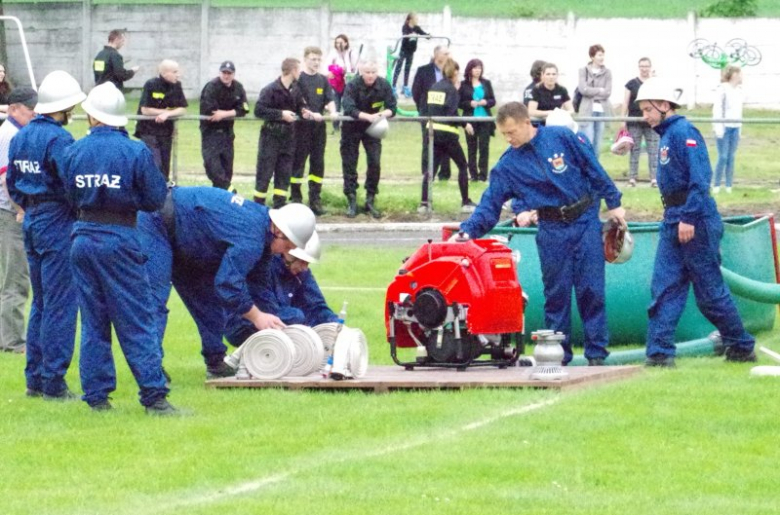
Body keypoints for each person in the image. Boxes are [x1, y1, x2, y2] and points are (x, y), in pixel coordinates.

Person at [457, 101, 626, 366]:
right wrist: (467, 231)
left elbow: (593, 167)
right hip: (551, 229)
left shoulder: (561, 137)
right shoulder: (508, 166)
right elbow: (490, 205)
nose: (508, 138)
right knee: (556, 295)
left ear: (527, 123)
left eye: (512, 132)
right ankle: (558, 357)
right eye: (504, 134)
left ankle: (597, 355)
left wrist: (614, 202)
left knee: (591, 291)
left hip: (584, 220)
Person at [62, 83, 175, 414]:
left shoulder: (73, 151)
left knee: (94, 320)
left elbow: (69, 195)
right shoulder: (135, 151)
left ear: (93, 116)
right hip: (120, 236)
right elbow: (155, 199)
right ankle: (154, 396)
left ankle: (97, 397)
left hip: (82, 237)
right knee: (136, 318)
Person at [635, 78, 755, 367]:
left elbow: (700, 179)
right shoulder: (666, 134)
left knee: (709, 292)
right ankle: (660, 353)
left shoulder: (685, 133)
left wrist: (688, 217)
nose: (644, 116)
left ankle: (740, 344)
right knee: (664, 287)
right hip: (672, 219)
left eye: (647, 109)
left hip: (695, 220)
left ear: (664, 106)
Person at [137, 187, 316, 378]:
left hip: (190, 237)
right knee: (155, 300)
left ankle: (216, 363)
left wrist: (275, 326)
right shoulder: (251, 237)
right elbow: (227, 284)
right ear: (278, 230)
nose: (283, 253)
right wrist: (257, 317)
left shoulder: (264, 239)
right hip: (156, 222)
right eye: (287, 246)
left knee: (210, 304)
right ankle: (150, 372)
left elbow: (260, 289)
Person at [6, 71, 86, 400]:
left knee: (39, 302)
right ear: (64, 108)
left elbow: (12, 182)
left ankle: (34, 378)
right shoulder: (60, 140)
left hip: (31, 219)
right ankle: (54, 380)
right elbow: (71, 185)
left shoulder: (20, 136)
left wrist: (28, 205)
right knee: (61, 304)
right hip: (56, 220)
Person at [225, 232, 338, 346]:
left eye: (307, 263)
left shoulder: (301, 272)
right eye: (303, 262)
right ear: (288, 252)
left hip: (277, 318)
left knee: (298, 318)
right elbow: (268, 310)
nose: (304, 268)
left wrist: (335, 325)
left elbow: (316, 306)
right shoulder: (264, 267)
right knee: (296, 317)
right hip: (242, 322)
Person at [0, 87, 36, 354]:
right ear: (14, 108)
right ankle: (13, 342)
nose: (33, 113)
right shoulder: (9, 136)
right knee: (15, 279)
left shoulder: (13, 133)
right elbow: (5, 179)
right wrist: (20, 209)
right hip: (9, 213)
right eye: (29, 109)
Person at [340, 59, 396, 219]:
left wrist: (381, 115)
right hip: (352, 128)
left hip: (373, 129)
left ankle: (370, 199)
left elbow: (392, 107)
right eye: (367, 72)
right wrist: (367, 116)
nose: (370, 76)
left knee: (375, 162)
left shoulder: (384, 85)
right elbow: (348, 107)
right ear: (361, 72)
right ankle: (351, 200)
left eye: (373, 72)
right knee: (350, 163)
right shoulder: (352, 85)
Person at [418, 58, 475, 214]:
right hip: (448, 135)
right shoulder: (451, 90)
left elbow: (428, 109)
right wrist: (465, 124)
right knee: (463, 166)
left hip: (432, 134)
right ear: (455, 73)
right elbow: (452, 113)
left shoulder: (434, 87)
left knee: (431, 169)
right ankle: (465, 201)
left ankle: (424, 203)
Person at [254, 58, 311, 208]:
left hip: (289, 138)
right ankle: (258, 206)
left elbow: (301, 105)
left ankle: (279, 205)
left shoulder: (296, 89)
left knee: (284, 174)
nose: (300, 73)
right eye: (298, 70)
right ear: (292, 71)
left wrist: (304, 111)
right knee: (264, 173)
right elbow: (259, 110)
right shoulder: (270, 89)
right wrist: (281, 115)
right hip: (271, 137)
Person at [291, 47, 336, 215]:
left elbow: (329, 99)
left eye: (318, 59)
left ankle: (315, 199)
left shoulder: (323, 80)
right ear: (305, 59)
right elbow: (299, 105)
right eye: (312, 59)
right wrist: (311, 114)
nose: (316, 63)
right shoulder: (299, 79)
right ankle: (295, 197)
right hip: (301, 129)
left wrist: (332, 111)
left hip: (318, 130)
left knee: (317, 164)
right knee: (298, 163)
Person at [134, 60, 188, 181]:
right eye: (175, 72)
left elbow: (182, 109)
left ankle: (163, 195)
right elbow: (145, 110)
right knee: (154, 165)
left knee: (164, 169)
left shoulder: (177, 86)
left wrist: (168, 114)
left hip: (166, 133)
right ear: (164, 73)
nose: (178, 75)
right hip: (149, 132)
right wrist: (163, 113)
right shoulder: (151, 84)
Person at [199, 60, 249, 191]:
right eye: (224, 72)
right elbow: (210, 111)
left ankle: (221, 200)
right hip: (211, 133)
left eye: (229, 73)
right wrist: (230, 112)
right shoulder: (211, 86)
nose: (226, 76)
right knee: (213, 168)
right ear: (220, 72)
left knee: (227, 170)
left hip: (227, 133)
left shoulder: (238, 87)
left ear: (233, 74)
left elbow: (244, 109)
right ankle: (231, 192)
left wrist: (225, 113)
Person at [412, 45, 452, 181]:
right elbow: (416, 92)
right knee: (428, 142)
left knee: (447, 141)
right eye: (445, 53)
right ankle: (427, 173)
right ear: (437, 55)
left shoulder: (450, 71)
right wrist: (422, 108)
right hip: (427, 112)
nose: (448, 56)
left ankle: (444, 173)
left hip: (446, 113)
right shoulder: (423, 71)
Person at [622, 57, 658, 187]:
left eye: (646, 66)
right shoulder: (631, 84)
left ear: (650, 67)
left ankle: (654, 178)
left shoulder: (655, 83)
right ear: (639, 67)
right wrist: (623, 120)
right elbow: (625, 102)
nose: (644, 69)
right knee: (634, 150)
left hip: (652, 121)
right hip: (635, 121)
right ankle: (632, 178)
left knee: (653, 150)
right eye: (642, 66)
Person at [459, 58, 496, 182]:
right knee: (472, 147)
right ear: (470, 69)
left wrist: (486, 102)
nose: (477, 70)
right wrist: (470, 103)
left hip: (484, 119)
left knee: (484, 147)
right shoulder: (463, 85)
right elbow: (459, 103)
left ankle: (483, 174)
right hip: (470, 119)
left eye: (479, 68)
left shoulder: (486, 83)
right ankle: (473, 174)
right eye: (475, 68)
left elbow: (493, 100)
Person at [712, 65, 743, 194]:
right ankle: (716, 184)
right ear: (734, 75)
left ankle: (729, 185)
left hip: (735, 127)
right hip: (724, 127)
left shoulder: (740, 90)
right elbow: (718, 108)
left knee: (731, 157)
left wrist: (740, 128)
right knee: (723, 156)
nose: (741, 77)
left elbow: (739, 111)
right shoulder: (723, 89)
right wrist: (719, 127)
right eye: (739, 74)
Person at [577, 44, 612, 156]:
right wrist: (599, 90)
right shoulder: (583, 71)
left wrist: (591, 91)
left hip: (601, 111)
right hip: (587, 109)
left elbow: (607, 92)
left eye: (603, 55)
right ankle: (585, 169)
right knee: (587, 141)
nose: (602, 58)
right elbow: (583, 89)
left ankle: (595, 170)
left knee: (597, 143)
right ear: (592, 57)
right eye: (599, 55)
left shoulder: (607, 72)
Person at [326, 34, 358, 133]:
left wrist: (348, 72)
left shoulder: (351, 53)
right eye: (336, 42)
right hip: (337, 83)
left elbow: (354, 68)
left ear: (346, 43)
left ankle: (346, 125)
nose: (338, 44)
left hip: (348, 82)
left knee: (347, 103)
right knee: (336, 103)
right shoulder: (333, 53)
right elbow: (327, 66)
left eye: (340, 42)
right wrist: (335, 70)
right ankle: (335, 126)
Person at [392, 12, 429, 98]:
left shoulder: (416, 28)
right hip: (403, 51)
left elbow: (423, 34)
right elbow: (405, 35)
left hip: (411, 52)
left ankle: (405, 87)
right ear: (411, 20)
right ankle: (393, 87)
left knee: (407, 69)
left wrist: (428, 35)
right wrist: (411, 35)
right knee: (398, 68)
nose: (417, 21)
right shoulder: (405, 27)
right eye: (416, 19)